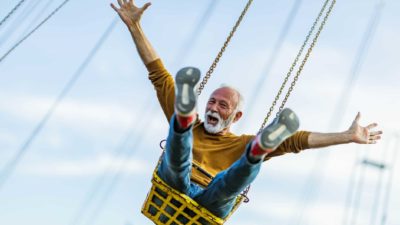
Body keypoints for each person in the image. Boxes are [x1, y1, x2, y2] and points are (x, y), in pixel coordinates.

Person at [111, 0, 383, 219]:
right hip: (174, 185)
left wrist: (346, 136)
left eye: (222, 105)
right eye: (211, 102)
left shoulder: (239, 143)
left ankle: (257, 152)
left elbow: (297, 141)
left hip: (210, 202)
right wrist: (135, 28)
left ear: (236, 116)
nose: (213, 108)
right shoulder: (198, 124)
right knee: (178, 159)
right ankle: (182, 119)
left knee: (228, 185)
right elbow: (158, 74)